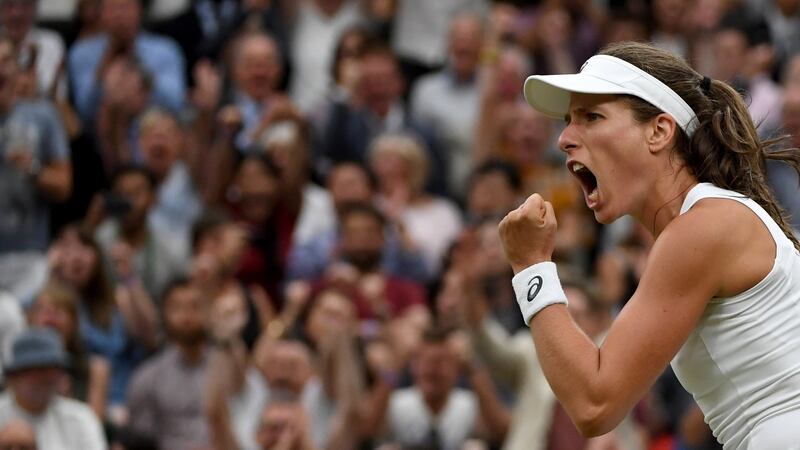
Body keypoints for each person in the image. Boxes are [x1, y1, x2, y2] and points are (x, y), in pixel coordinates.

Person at [498, 41, 800, 448]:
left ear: (659, 131)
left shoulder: (703, 227)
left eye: (592, 116)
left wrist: (531, 265)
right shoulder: (706, 223)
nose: (564, 138)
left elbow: (595, 404)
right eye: (570, 120)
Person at [0, 328, 107, 450]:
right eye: (34, 369)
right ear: (13, 377)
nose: (43, 378)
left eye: (51, 369)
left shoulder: (81, 418)